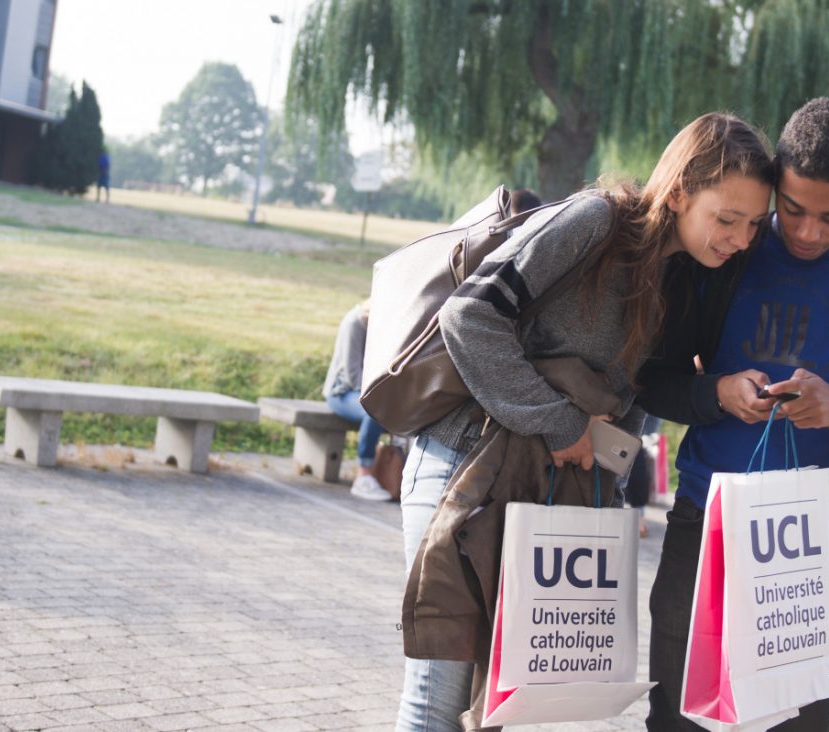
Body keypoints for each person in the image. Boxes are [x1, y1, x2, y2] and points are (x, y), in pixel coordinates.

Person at [395, 112, 776, 732]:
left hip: (541, 489)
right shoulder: (596, 222)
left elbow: (637, 392)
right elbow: (469, 317)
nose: (738, 237)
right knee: (437, 697)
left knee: (500, 704)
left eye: (753, 225)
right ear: (678, 191)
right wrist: (560, 423)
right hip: (461, 470)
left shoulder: (683, 275)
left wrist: (609, 484)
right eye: (726, 218)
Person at [638, 98, 829, 731]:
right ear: (775, 178)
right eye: (793, 208)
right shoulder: (723, 253)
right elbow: (649, 380)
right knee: (677, 720)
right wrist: (715, 393)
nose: (806, 232)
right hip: (707, 520)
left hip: (823, 542)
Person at [322, 301, 392, 501]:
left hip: (371, 392)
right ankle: (364, 475)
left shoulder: (383, 325)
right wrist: (382, 397)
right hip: (342, 393)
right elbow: (353, 376)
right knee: (374, 410)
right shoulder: (355, 323)